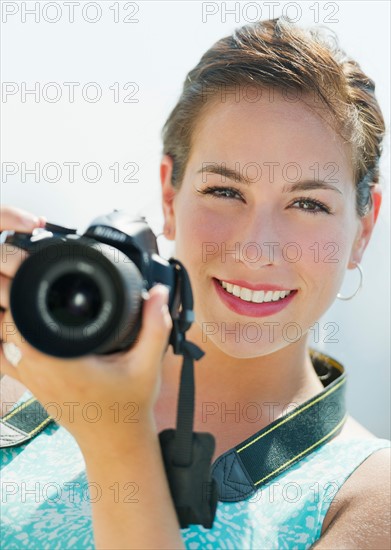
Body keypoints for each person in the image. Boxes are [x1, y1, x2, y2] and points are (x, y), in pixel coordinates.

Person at [1, 17, 390, 550]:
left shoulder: (369, 497)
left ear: (363, 228)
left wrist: (116, 440)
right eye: (226, 191)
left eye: (308, 204)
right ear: (169, 195)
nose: (257, 249)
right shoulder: (20, 391)